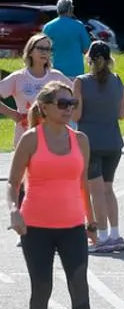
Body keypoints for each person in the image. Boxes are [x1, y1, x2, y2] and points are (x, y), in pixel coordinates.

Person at [7, 80, 103, 309]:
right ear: (45, 108)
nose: (68, 109)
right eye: (62, 104)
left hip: (72, 225)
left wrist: (90, 222)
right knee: (42, 289)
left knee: (79, 287)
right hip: (35, 227)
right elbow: (12, 183)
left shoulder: (81, 140)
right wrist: (13, 211)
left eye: (71, 103)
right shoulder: (31, 140)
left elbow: (82, 184)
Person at [0, 34, 74, 207]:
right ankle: (23, 218)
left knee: (52, 177)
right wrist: (14, 114)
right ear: (30, 51)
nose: (44, 52)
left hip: (53, 137)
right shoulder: (19, 77)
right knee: (24, 179)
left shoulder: (56, 76)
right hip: (25, 137)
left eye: (48, 49)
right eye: (40, 48)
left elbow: (73, 97)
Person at [75, 41, 124, 253]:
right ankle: (115, 234)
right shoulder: (117, 80)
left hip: (90, 142)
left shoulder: (80, 82)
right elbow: (121, 113)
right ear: (109, 60)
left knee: (95, 191)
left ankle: (102, 237)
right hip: (113, 141)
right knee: (107, 189)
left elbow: (76, 114)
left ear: (89, 59)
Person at [40, 0, 91, 80]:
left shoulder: (48, 27)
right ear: (71, 9)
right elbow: (86, 49)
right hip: (75, 71)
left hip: (54, 71)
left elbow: (42, 49)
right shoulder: (78, 26)